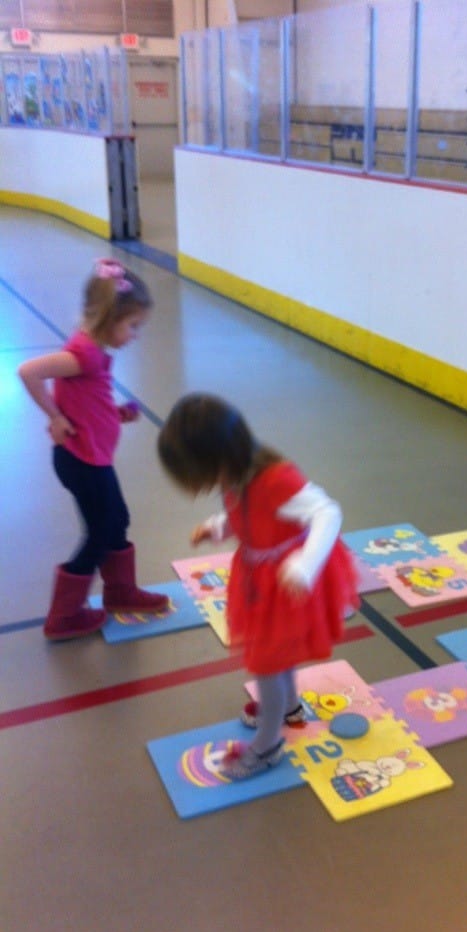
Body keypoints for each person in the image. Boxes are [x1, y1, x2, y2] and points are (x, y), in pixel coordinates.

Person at [157, 393, 359, 779]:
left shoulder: (277, 479)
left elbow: (327, 512)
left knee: (266, 664)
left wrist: (305, 565)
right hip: (259, 578)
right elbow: (246, 511)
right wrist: (218, 527)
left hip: (287, 583)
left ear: (221, 456)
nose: (212, 485)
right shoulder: (236, 474)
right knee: (277, 656)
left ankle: (267, 747)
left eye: (206, 474)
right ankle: (288, 706)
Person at [18, 258, 169, 641]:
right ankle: (64, 616)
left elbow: (85, 399)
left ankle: (120, 592)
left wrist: (115, 413)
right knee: (101, 531)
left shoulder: (95, 351)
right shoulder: (83, 353)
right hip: (81, 461)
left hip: (93, 458)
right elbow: (28, 371)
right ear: (108, 318)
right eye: (132, 325)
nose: (135, 335)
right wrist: (54, 417)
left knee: (116, 519)